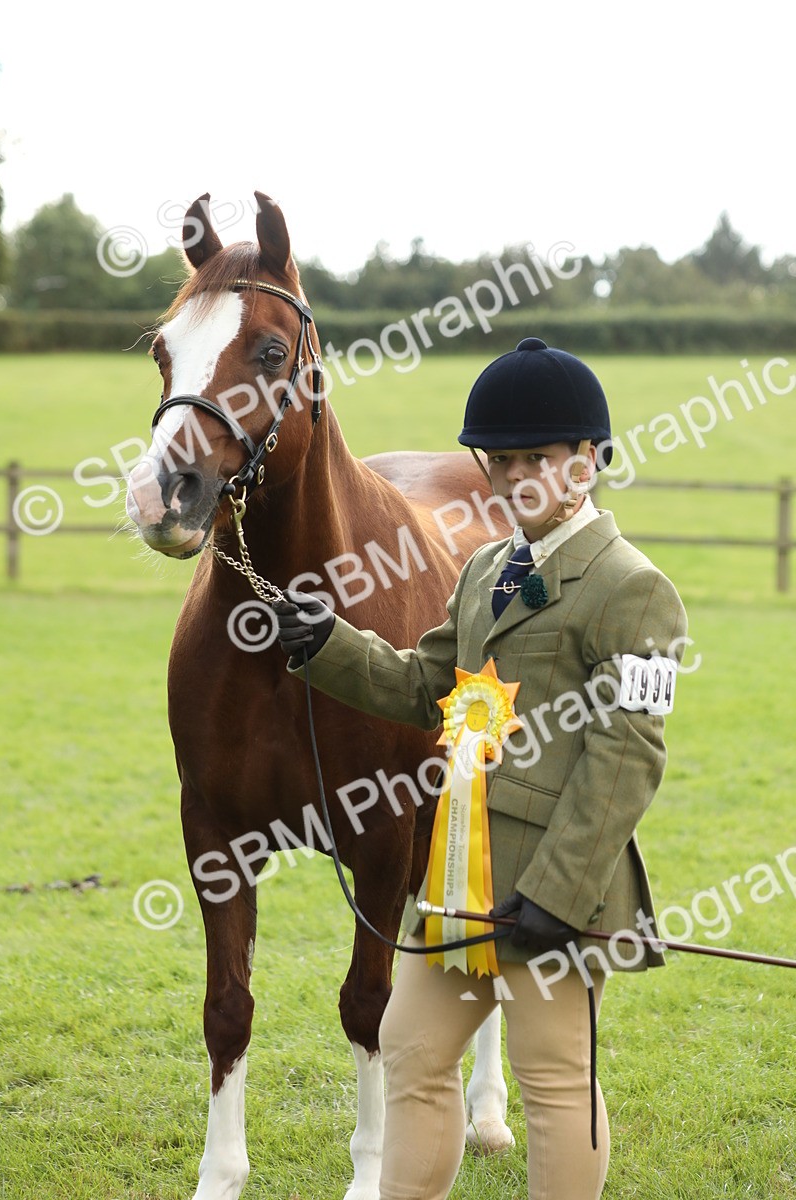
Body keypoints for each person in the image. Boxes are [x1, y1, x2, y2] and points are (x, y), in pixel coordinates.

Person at [276, 337, 687, 1200]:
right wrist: (329, 646)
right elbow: (427, 686)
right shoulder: (484, 571)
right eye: (499, 461)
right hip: (458, 876)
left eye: (537, 458)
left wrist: (560, 897)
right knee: (414, 1056)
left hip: (555, 891)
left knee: (554, 1086)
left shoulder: (632, 586)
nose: (514, 479)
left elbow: (628, 752)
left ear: (589, 460)